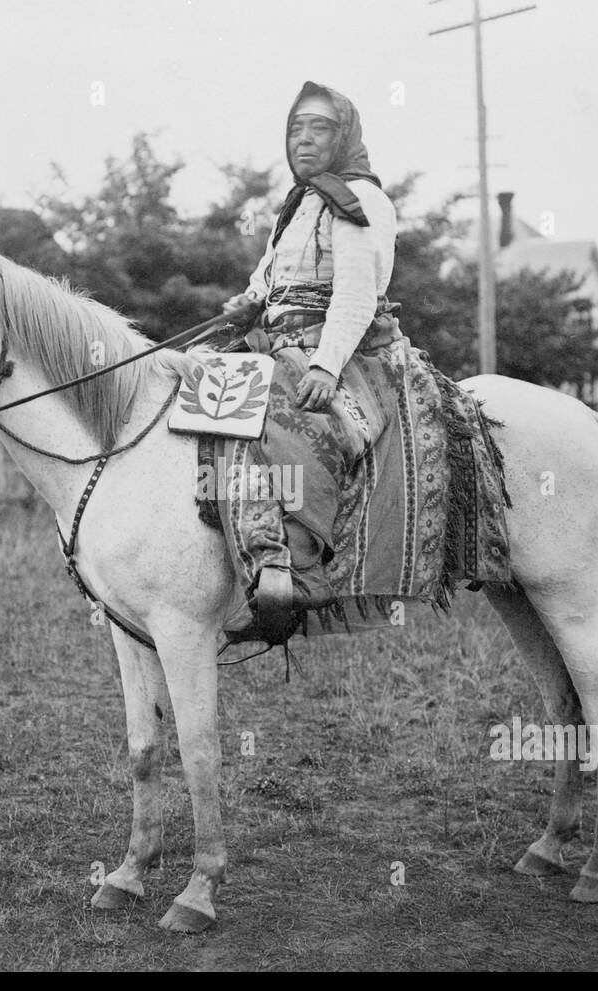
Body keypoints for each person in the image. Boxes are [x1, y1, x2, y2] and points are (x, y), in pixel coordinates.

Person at [218, 81, 401, 642]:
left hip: (336, 350)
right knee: (200, 394)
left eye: (318, 128)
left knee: (278, 419)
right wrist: (250, 302)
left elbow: (355, 293)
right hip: (276, 342)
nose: (303, 139)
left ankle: (293, 568)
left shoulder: (359, 200)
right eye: (296, 128)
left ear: (343, 135)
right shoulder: (299, 204)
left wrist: (324, 366)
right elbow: (270, 276)